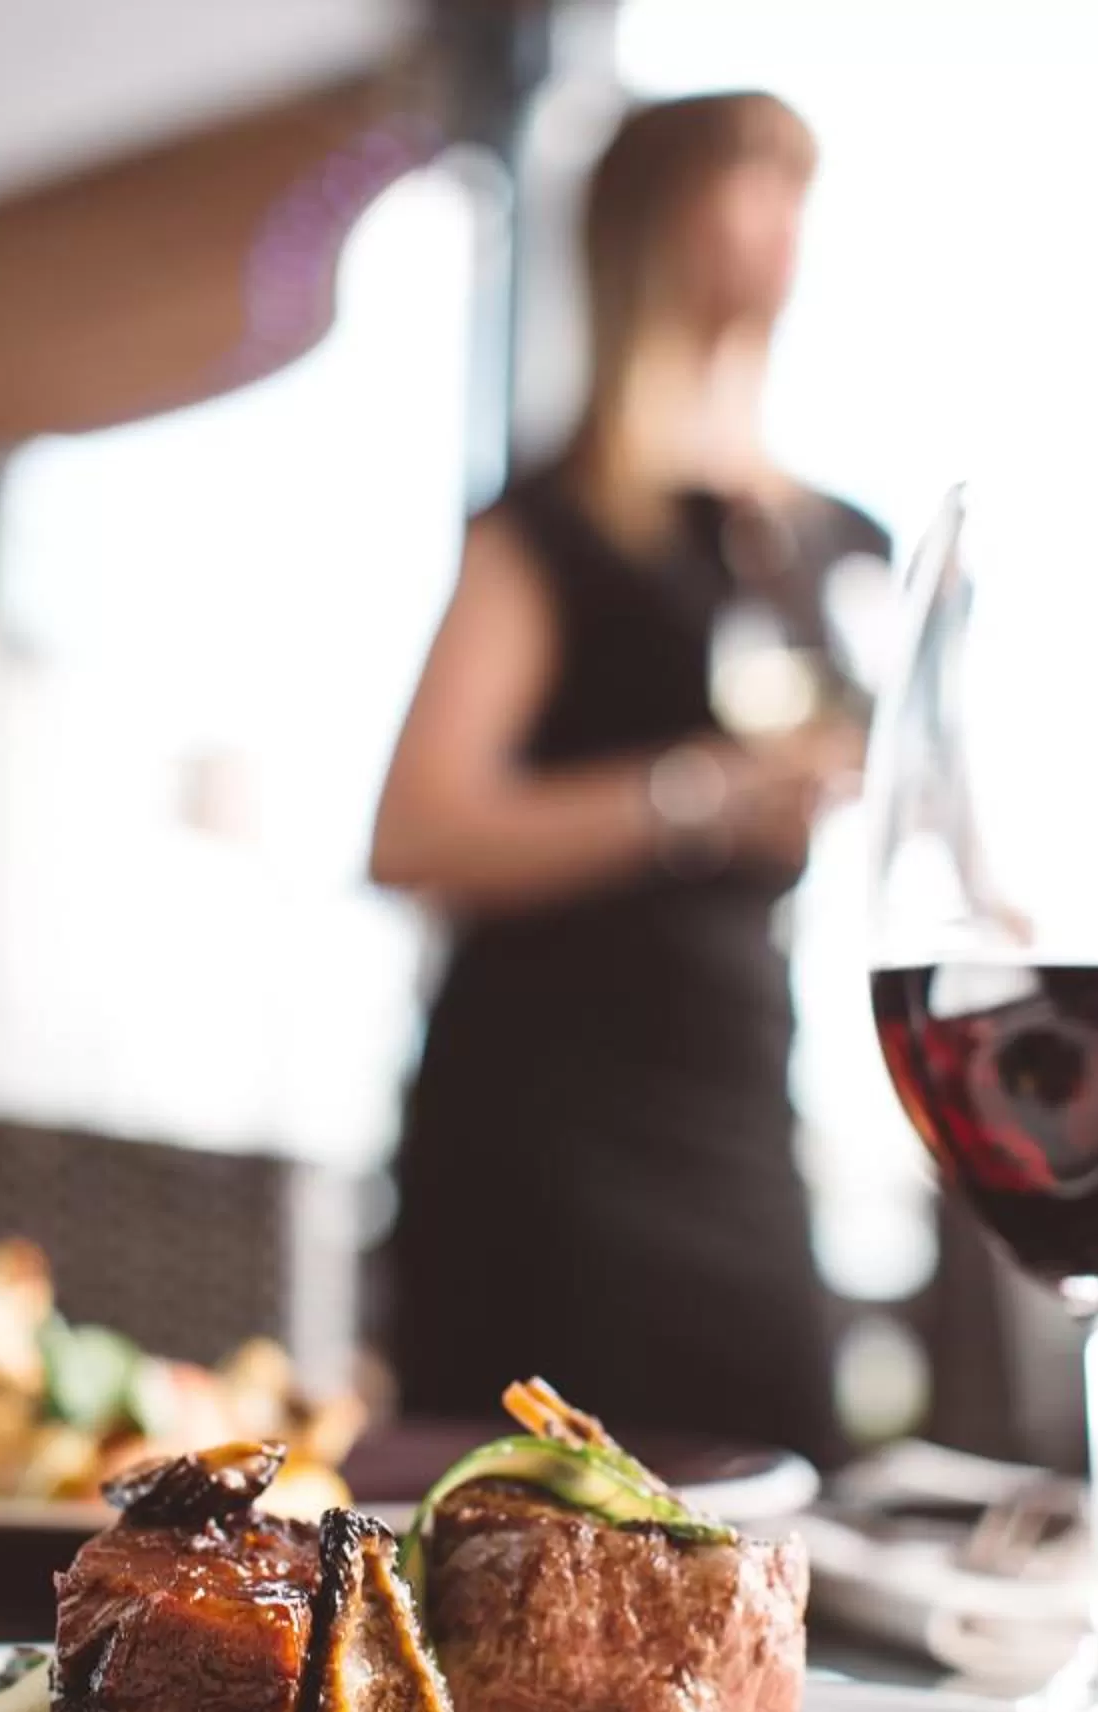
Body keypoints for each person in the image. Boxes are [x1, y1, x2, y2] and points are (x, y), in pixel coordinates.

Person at [369, 92, 882, 1469]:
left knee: (762, 1492)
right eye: (751, 185)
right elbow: (414, 834)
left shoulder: (839, 542)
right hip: (549, 1130)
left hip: (739, 1098)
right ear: (652, 229)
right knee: (529, 1517)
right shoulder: (556, 526)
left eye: (796, 187)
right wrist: (697, 795)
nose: (785, 224)